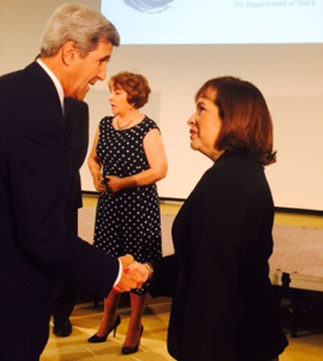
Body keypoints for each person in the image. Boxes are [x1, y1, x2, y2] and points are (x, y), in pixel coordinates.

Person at [0, 4, 132, 361]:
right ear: (70, 52)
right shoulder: (40, 115)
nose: (102, 75)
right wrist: (114, 270)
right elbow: (43, 234)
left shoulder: (9, 87)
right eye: (101, 60)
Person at [122, 76, 289, 361]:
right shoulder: (238, 173)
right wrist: (149, 271)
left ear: (233, 118)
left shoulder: (229, 179)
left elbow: (214, 286)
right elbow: (200, 259)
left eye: (202, 108)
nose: (191, 119)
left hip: (228, 344)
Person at [86, 71, 167, 354]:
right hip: (110, 206)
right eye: (111, 91)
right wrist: (97, 176)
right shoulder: (106, 125)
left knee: (136, 266)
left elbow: (160, 169)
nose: (110, 97)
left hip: (138, 206)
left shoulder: (148, 128)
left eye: (117, 92)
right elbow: (93, 158)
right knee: (109, 262)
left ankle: (134, 326)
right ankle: (108, 318)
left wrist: (126, 182)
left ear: (132, 98)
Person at [52, 97, 90, 337]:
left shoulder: (77, 107)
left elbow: (76, 154)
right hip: (29, 191)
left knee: (64, 251)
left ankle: (62, 314)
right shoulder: (32, 99)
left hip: (64, 191)